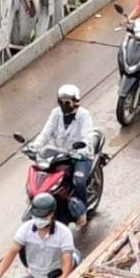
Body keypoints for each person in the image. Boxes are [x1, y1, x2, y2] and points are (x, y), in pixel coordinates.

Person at [36, 83, 100, 222]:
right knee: (45, 176)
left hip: (80, 156)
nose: (64, 105)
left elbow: (87, 137)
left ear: (76, 102)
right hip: (60, 154)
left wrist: (81, 150)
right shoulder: (56, 113)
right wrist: (35, 146)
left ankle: (81, 212)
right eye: (61, 102)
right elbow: (45, 133)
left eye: (67, 102)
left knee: (78, 181)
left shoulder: (84, 116)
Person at [0, 193, 80, 278]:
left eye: (43, 216)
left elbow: (68, 264)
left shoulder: (63, 233)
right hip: (35, 276)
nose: (39, 220)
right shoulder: (25, 229)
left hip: (57, 277)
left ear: (52, 214)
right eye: (37, 216)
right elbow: (11, 253)